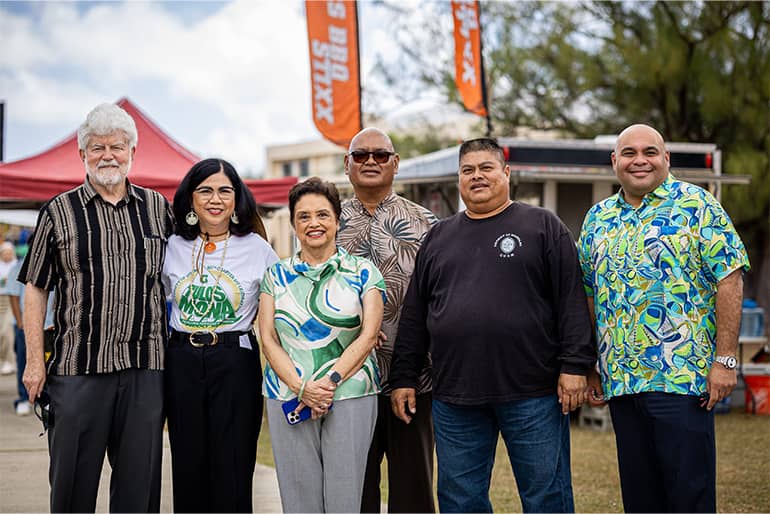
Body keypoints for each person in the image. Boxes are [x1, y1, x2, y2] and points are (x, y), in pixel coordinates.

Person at [389, 137, 596, 513]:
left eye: (486, 168)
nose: (477, 176)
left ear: (506, 173)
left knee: (546, 497)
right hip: (455, 396)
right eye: (467, 170)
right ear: (459, 179)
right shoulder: (438, 237)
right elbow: (416, 313)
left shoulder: (542, 226)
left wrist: (575, 366)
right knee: (459, 500)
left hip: (534, 392)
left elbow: (571, 299)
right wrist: (404, 376)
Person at [578, 124, 750, 513]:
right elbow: (588, 293)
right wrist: (590, 365)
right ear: (614, 161)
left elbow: (731, 278)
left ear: (666, 159)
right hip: (621, 381)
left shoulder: (697, 205)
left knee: (688, 494)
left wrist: (725, 360)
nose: (640, 160)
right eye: (629, 153)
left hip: (682, 380)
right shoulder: (598, 219)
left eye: (650, 152)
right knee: (640, 499)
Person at [19, 102, 173, 513]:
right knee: (71, 490)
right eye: (97, 147)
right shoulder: (58, 212)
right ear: (82, 154)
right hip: (77, 372)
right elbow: (35, 289)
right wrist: (35, 361)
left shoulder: (159, 209)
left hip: (145, 369)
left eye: (117, 147)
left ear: (132, 152)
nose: (108, 155)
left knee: (139, 493)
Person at [258, 177, 385, 513]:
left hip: (350, 392)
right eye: (304, 216)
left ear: (337, 220)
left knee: (344, 496)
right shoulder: (274, 275)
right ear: (294, 223)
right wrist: (302, 388)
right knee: (299, 498)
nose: (313, 223)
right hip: (288, 393)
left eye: (322, 215)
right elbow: (268, 337)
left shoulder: (364, 272)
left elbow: (369, 334)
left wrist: (327, 385)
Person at [161, 157, 277, 512]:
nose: (215, 199)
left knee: (233, 467)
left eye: (225, 190)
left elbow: (285, 307)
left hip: (235, 360)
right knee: (188, 466)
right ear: (191, 199)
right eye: (205, 190)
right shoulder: (173, 246)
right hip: (181, 361)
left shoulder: (258, 249)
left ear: (237, 198)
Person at [337, 127, 437, 513]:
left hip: (413, 378)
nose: (371, 162)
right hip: (346, 381)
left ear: (396, 163)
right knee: (354, 488)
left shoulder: (427, 224)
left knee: (413, 489)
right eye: (361, 155)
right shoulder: (328, 222)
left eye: (380, 155)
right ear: (347, 165)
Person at [6, 246, 55, 416]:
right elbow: (13, 295)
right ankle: (23, 398)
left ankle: (44, 399)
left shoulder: (53, 263)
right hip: (26, 325)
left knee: (48, 363)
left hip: (49, 325)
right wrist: (20, 322)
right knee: (24, 362)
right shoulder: (19, 267)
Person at [0, 241, 17, 375]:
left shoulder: (16, 266)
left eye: (9, 252)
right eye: (4, 253)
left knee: (6, 332)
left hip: (10, 300)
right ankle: (5, 359)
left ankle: (10, 361)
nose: (7, 255)